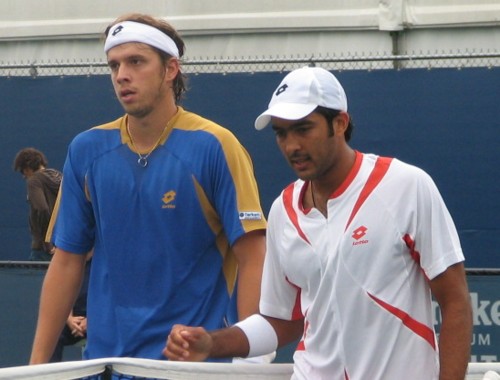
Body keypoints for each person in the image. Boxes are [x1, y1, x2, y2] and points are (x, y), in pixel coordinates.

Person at [164, 67, 473, 380]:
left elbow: (455, 301)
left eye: (303, 129)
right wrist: (211, 343)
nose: (291, 145)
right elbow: (280, 321)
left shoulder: (407, 186)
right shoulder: (282, 211)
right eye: (281, 133)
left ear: (340, 123)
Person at [30, 13, 266, 364]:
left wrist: (250, 361)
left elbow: (253, 256)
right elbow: (66, 261)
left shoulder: (216, 146)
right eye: (114, 65)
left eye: (136, 61)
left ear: (170, 69)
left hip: (192, 370)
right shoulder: (87, 150)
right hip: (105, 363)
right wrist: (37, 368)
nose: (122, 75)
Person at [13, 147, 62, 261]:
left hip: (42, 249)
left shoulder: (34, 181)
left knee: (32, 276)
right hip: (62, 244)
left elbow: (42, 209)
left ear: (28, 167)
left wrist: (46, 241)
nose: (23, 175)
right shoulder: (59, 177)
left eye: (22, 170)